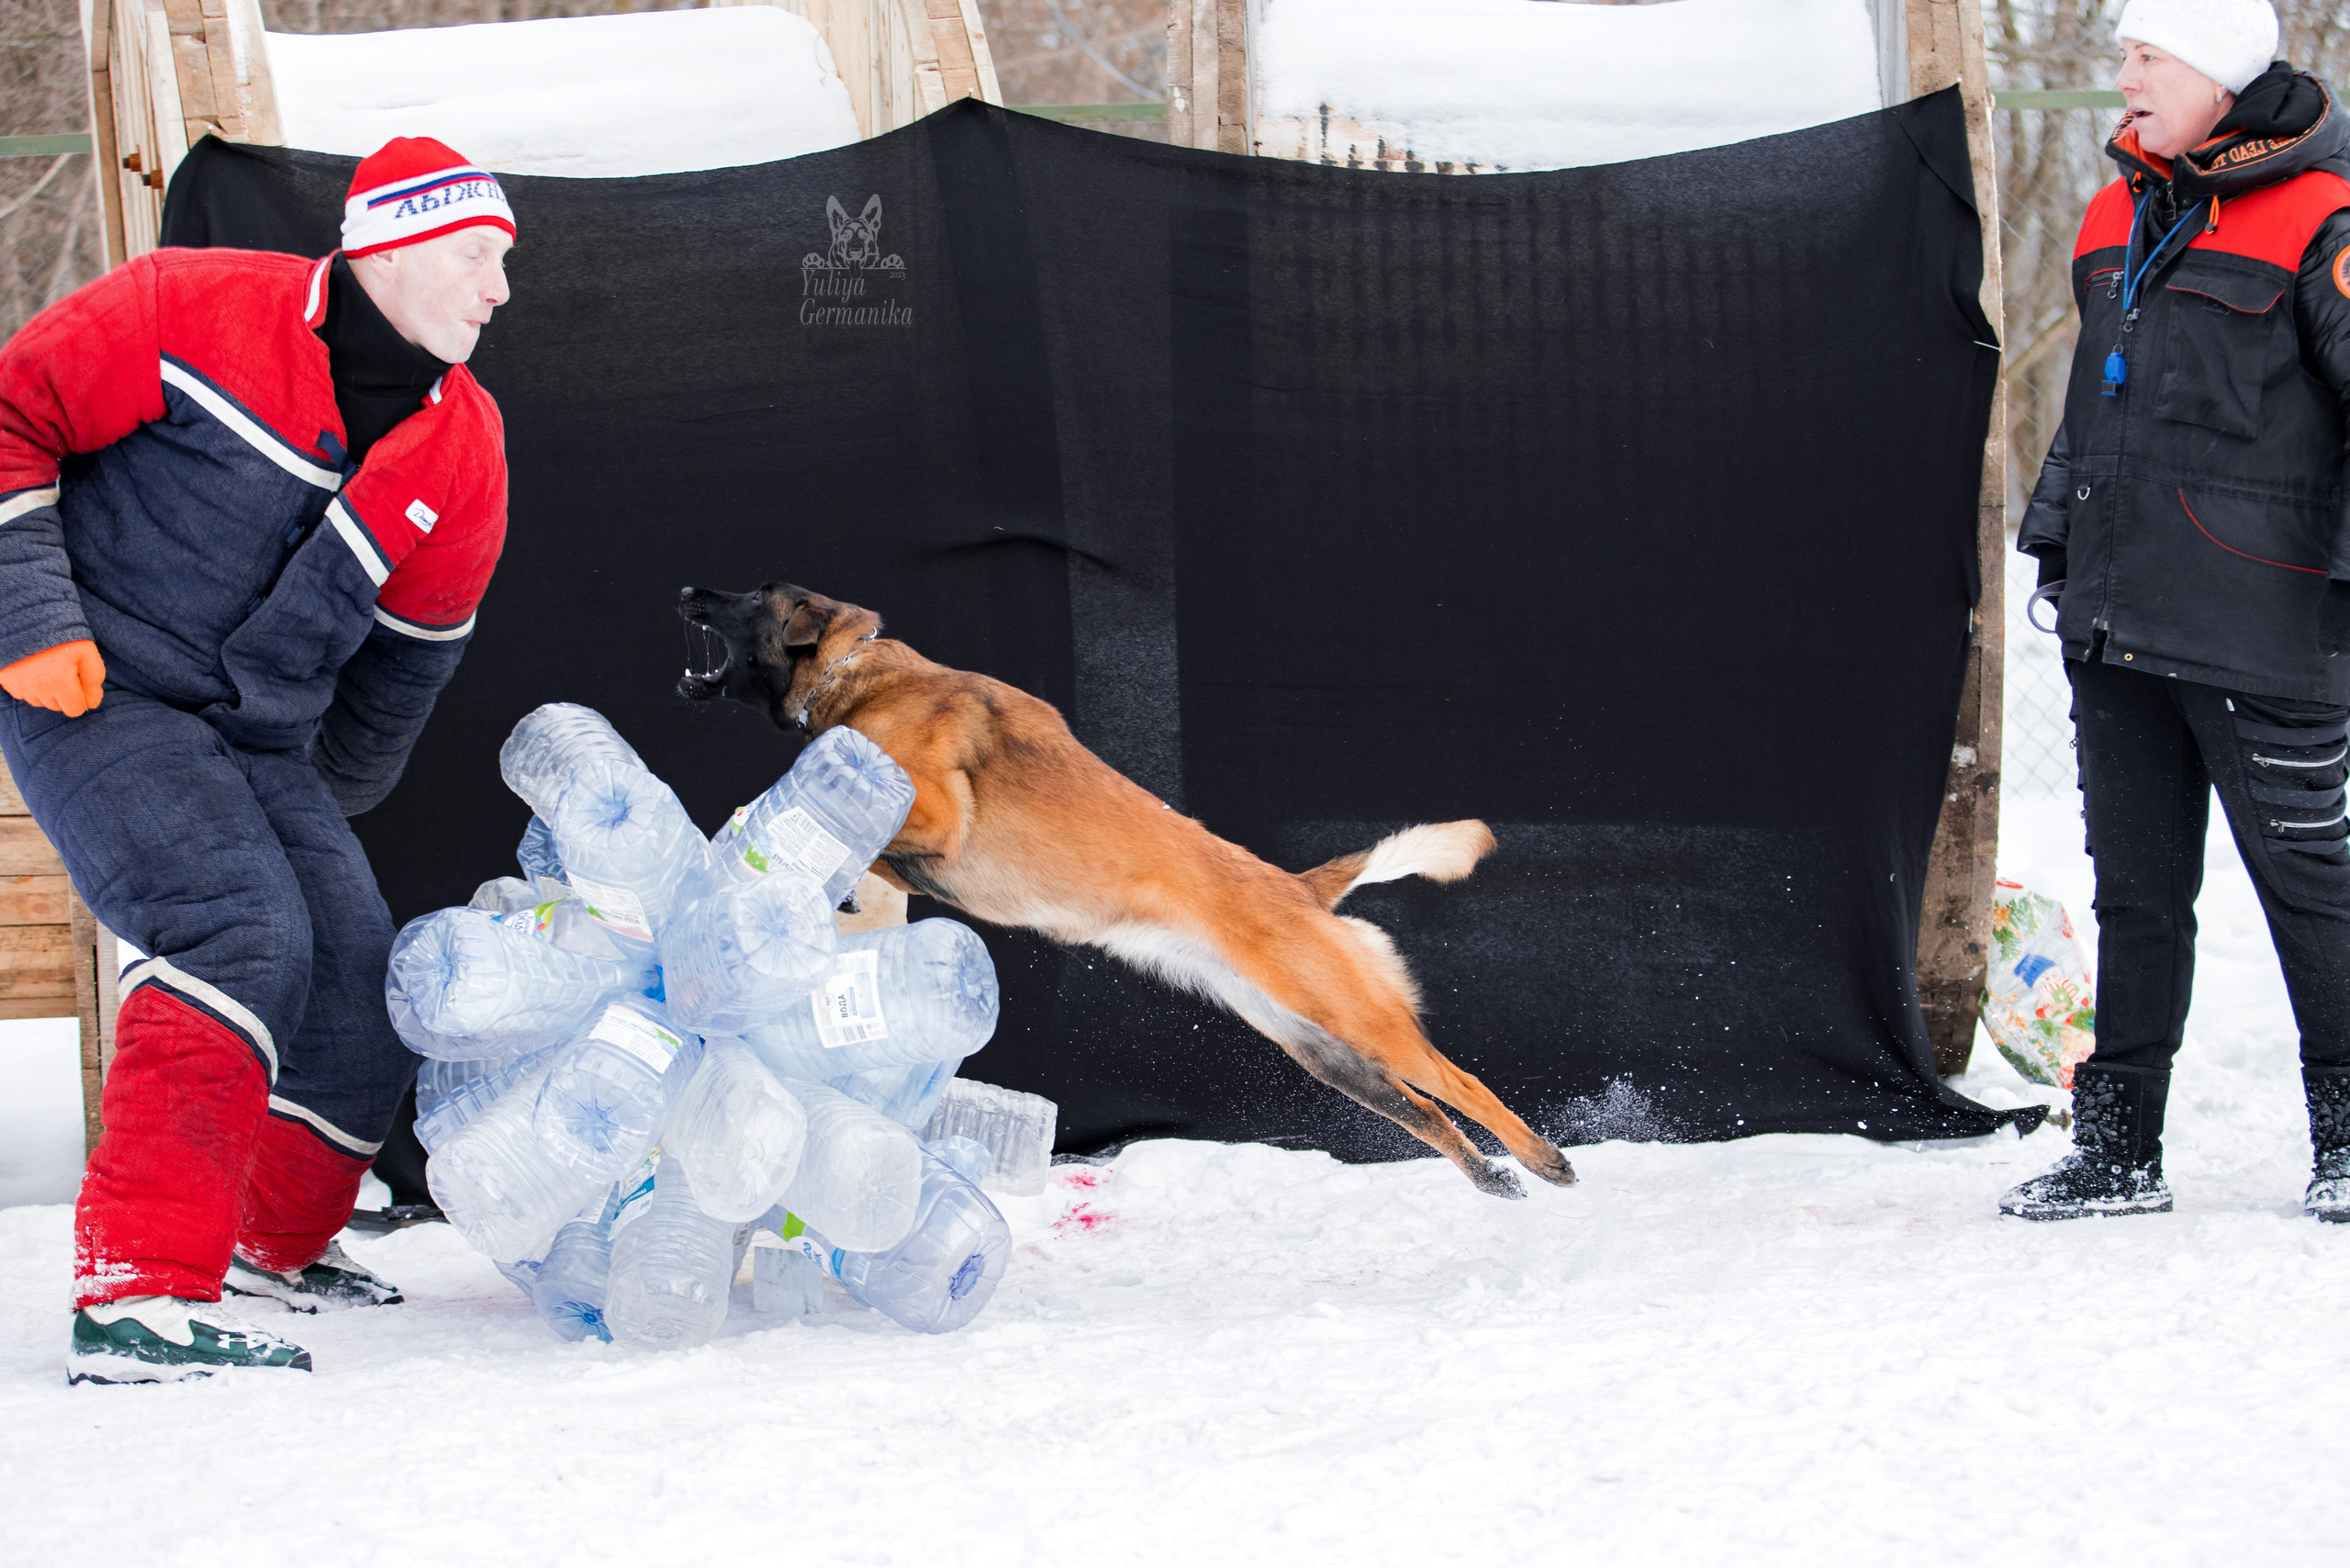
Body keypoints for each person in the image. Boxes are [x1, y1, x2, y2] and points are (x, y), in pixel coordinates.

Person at [0, 137, 514, 1379]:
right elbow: (11, 413)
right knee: (236, 930)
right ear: (390, 250)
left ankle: (264, 1244)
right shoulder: (192, 307)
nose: (499, 291)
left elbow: (408, 664)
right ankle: (136, 1290)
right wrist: (31, 625)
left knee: (355, 966)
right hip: (95, 686)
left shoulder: (465, 446)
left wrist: (314, 804)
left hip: (258, 735)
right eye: (477, 258)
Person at [2008, 0, 2350, 1222]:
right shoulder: (2116, 210)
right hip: (2118, 618)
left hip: (2269, 627)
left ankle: (2349, 1141)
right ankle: (2119, 1155)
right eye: (2121, 54)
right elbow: (2099, 413)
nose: (2124, 77)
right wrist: (2056, 544)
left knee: (2313, 889)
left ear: (2215, 69)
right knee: (2136, 898)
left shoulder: (2326, 210)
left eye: (2146, 55)